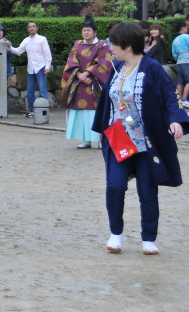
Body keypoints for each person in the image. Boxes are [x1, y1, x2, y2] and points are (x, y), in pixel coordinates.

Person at [93, 22, 189, 255]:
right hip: (118, 139)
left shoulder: (152, 68)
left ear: (127, 46)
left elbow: (170, 96)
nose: (110, 47)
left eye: (114, 43)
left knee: (147, 191)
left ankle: (148, 238)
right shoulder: (116, 67)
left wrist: (176, 120)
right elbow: (107, 100)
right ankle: (116, 234)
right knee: (115, 186)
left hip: (146, 142)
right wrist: (101, 128)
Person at [60, 14, 112, 149]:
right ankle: (86, 140)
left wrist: (88, 74)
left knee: (96, 112)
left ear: (95, 32)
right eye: (84, 30)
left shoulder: (102, 45)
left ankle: (100, 140)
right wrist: (80, 75)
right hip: (79, 84)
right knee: (81, 113)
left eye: (88, 30)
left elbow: (104, 63)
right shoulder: (77, 44)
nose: (86, 32)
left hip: (95, 84)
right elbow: (71, 62)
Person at [9, 21, 53, 117]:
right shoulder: (26, 40)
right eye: (30, 27)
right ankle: (33, 111)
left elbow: (47, 54)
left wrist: (47, 67)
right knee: (29, 92)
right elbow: (19, 51)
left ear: (37, 28)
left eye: (33, 26)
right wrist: (9, 47)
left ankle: (43, 111)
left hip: (41, 67)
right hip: (31, 68)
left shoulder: (42, 39)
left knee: (42, 90)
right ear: (27, 29)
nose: (32, 28)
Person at [171, 21, 189, 108]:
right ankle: (185, 99)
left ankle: (179, 100)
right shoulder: (187, 37)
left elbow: (174, 55)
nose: (187, 29)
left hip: (179, 62)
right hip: (187, 61)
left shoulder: (174, 40)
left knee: (180, 81)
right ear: (182, 28)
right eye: (186, 28)